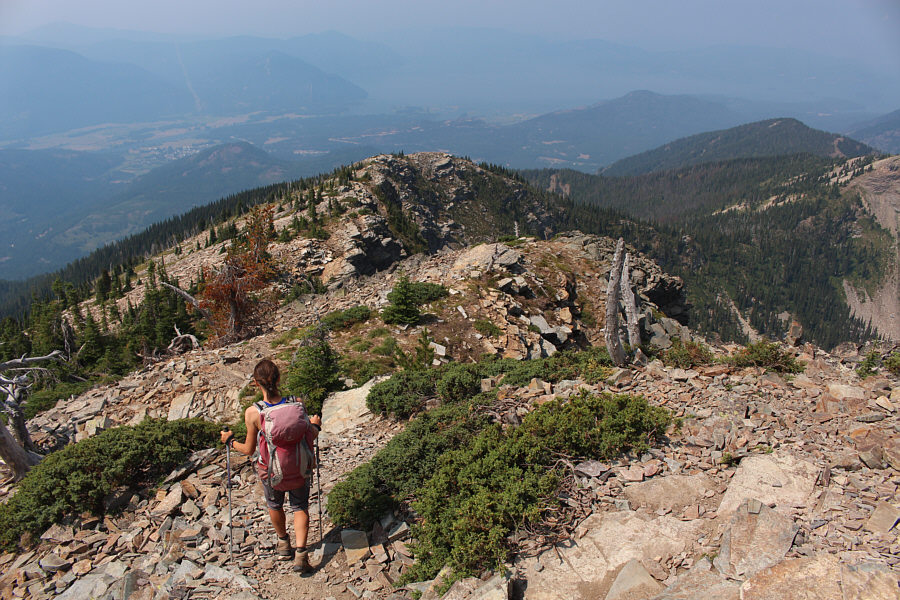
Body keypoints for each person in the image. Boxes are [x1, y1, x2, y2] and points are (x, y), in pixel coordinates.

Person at [221, 359, 321, 573]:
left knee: (275, 505)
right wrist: (315, 424)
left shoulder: (254, 412)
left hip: (271, 469)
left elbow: (248, 450)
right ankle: (301, 553)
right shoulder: (297, 404)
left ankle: (284, 543)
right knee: (300, 506)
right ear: (278, 379)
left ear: (257, 384)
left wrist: (229, 441)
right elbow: (310, 434)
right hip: (299, 465)